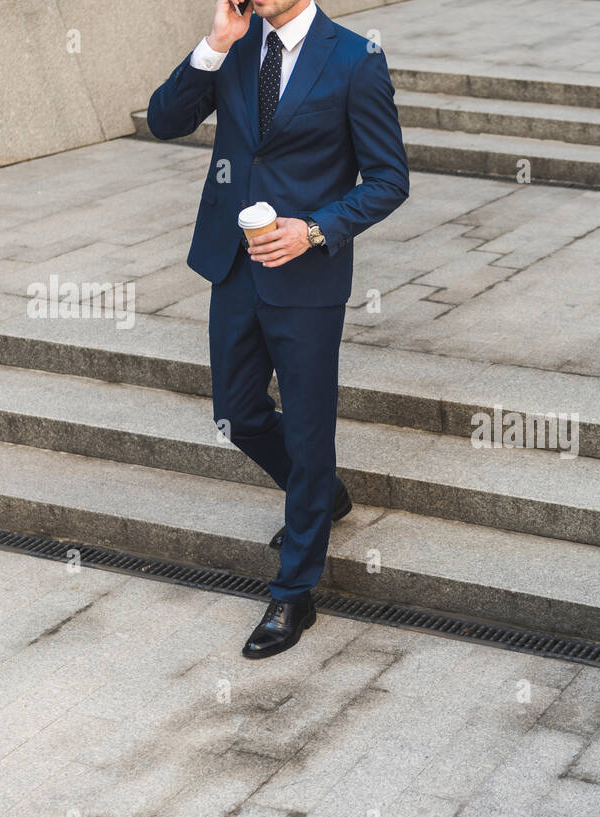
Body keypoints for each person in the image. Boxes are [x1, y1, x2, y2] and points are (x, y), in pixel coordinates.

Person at [147, 0, 409, 659]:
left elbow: (388, 178)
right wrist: (212, 44)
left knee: (309, 425)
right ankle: (318, 489)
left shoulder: (355, 59)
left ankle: (295, 592)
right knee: (235, 413)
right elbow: (164, 120)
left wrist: (315, 228)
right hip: (233, 265)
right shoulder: (235, 43)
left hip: (307, 277)